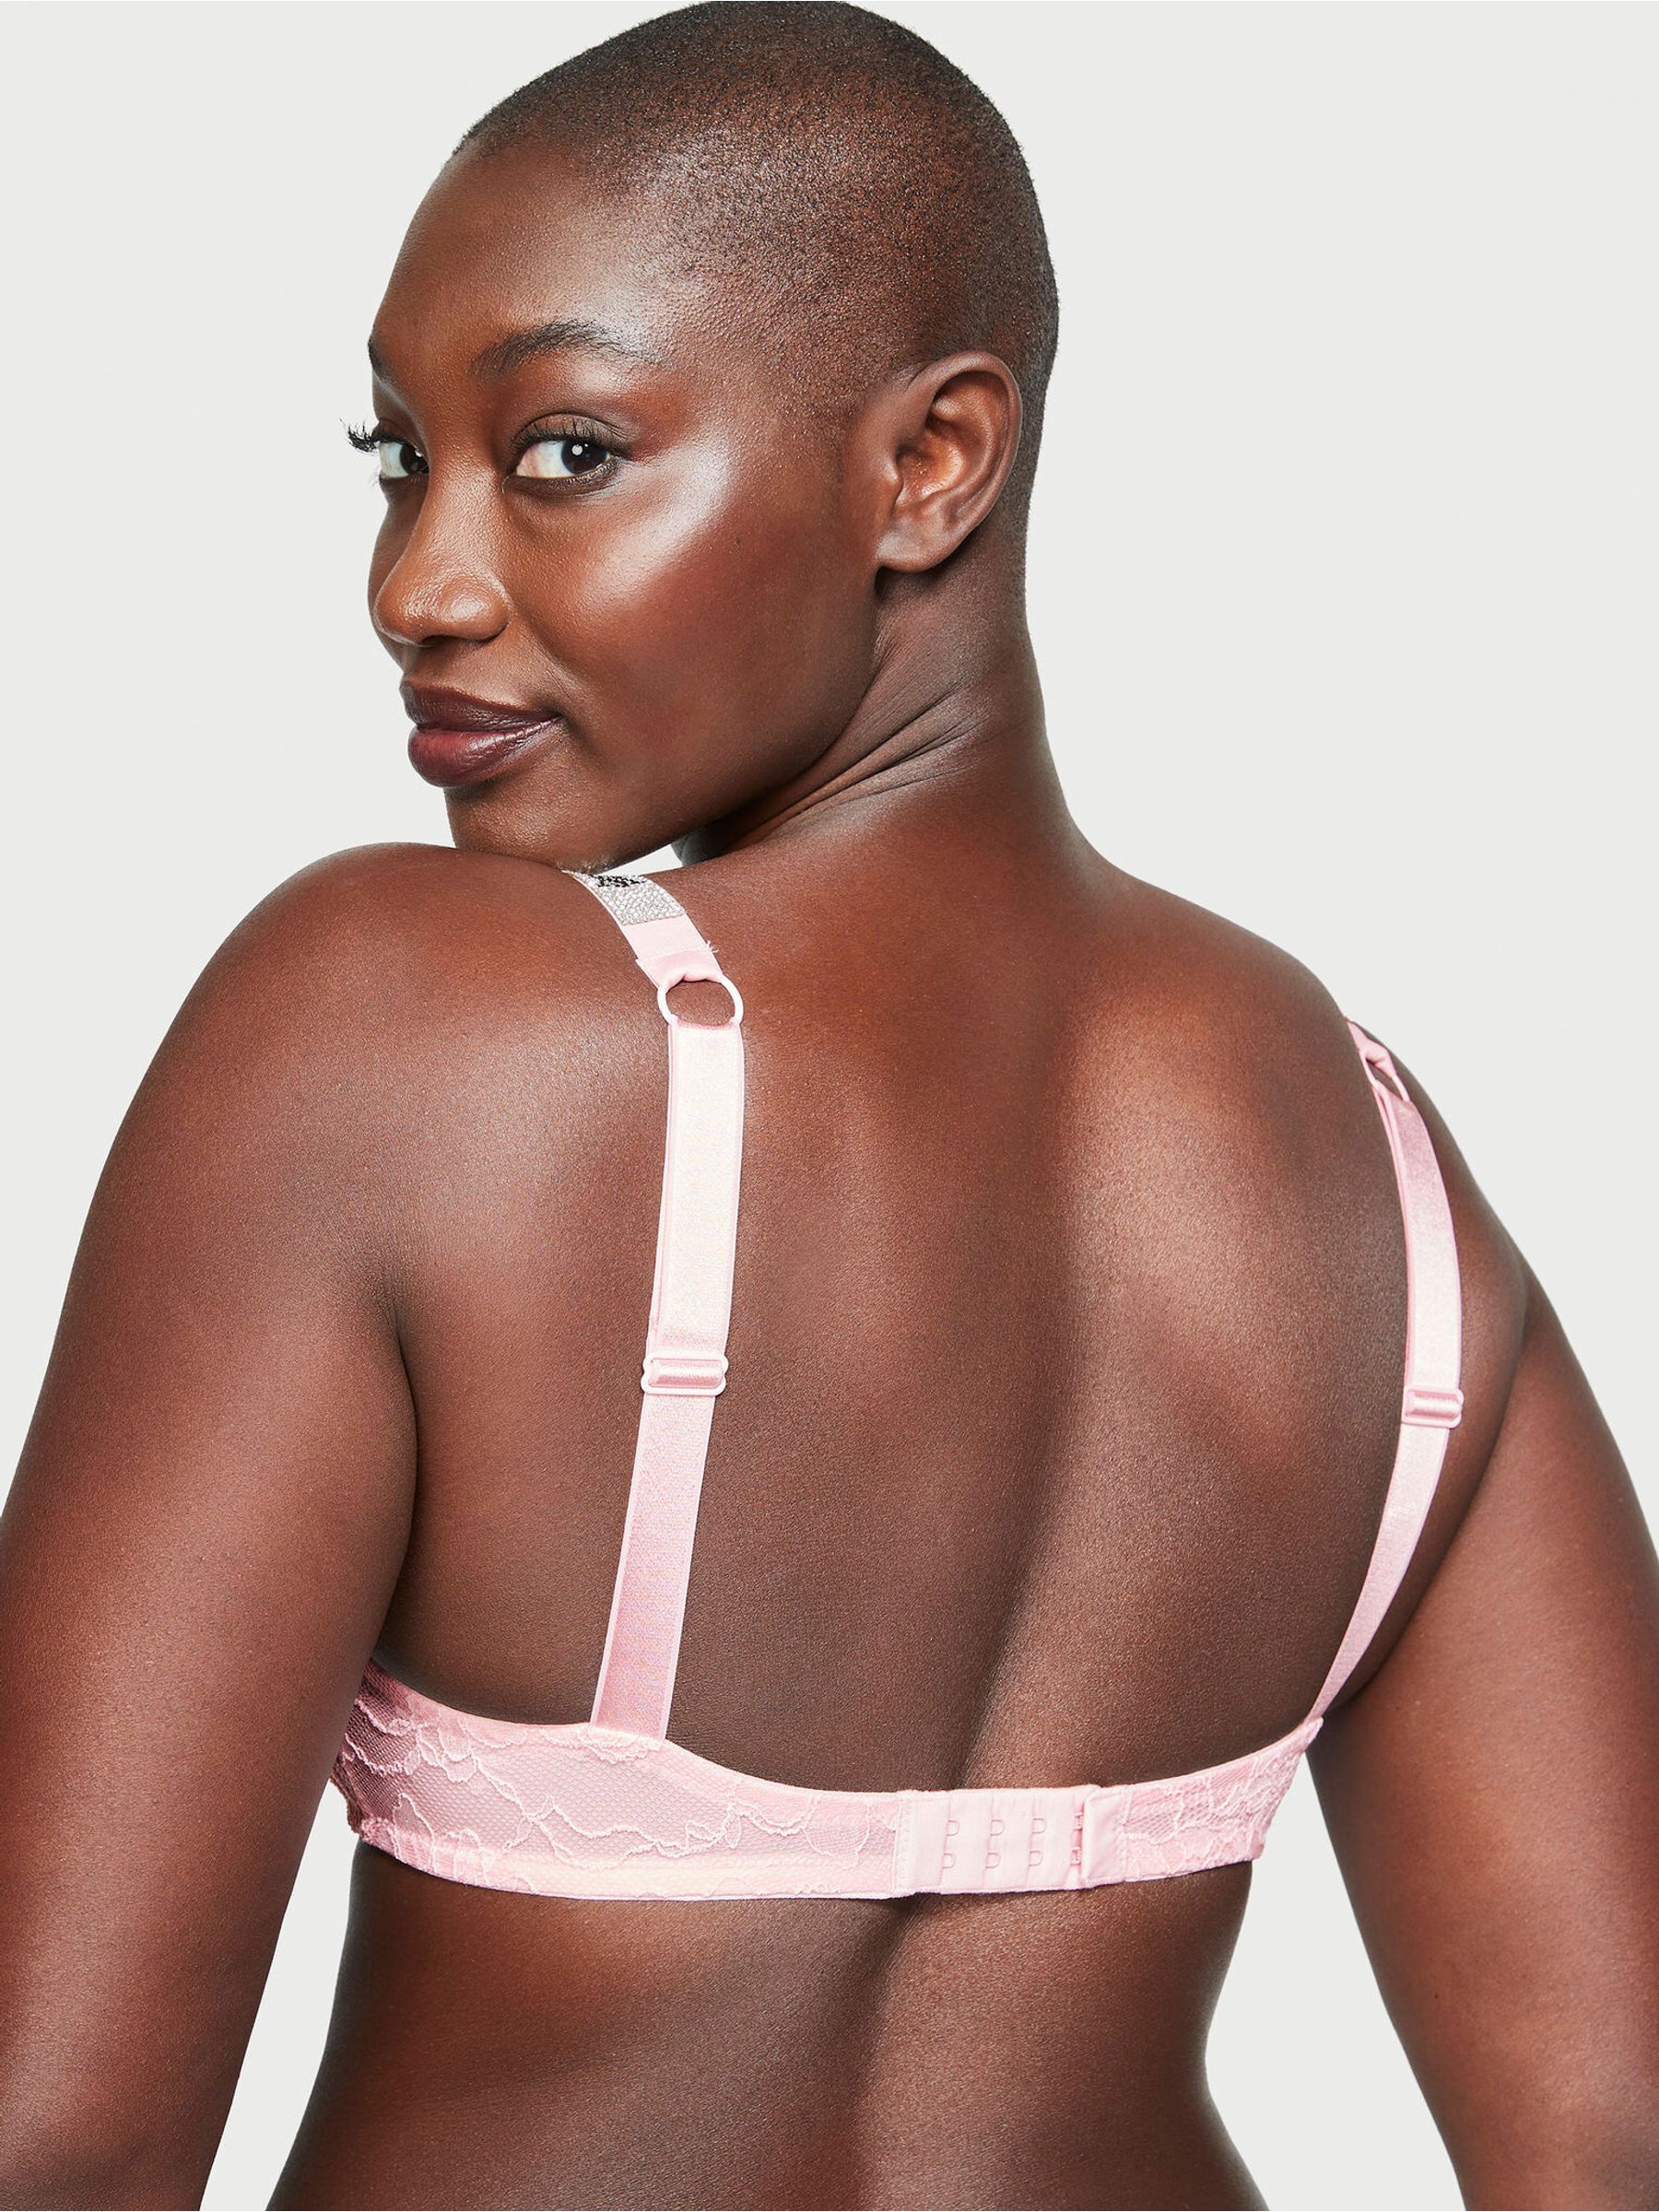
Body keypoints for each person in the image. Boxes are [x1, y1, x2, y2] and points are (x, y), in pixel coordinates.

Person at [2, 4, 1654, 2207]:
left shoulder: (394, 1028)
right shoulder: (1377, 1174)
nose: (418, 586)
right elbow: (1610, 2141)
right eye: (399, 457)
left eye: (563, 452)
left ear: (933, 464)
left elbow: (54, 2136)